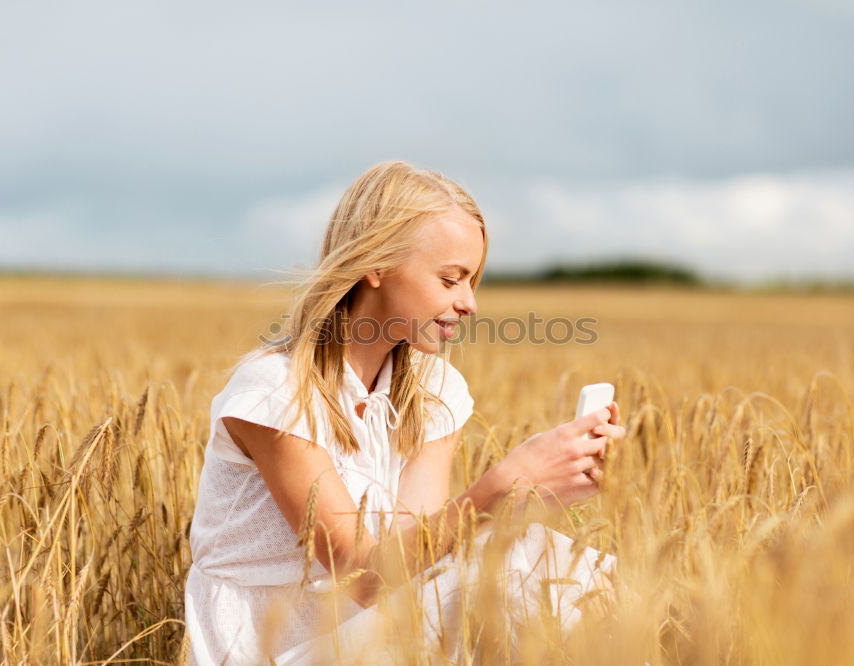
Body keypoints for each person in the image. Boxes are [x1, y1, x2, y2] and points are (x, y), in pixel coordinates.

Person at [183, 160, 626, 664]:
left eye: (472, 281)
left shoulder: (433, 390)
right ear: (375, 266)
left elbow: (419, 563)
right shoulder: (276, 393)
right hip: (271, 649)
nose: (469, 303)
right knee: (509, 566)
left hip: (374, 637)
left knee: (531, 555)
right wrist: (503, 483)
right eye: (450, 279)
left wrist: (538, 493)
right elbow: (365, 577)